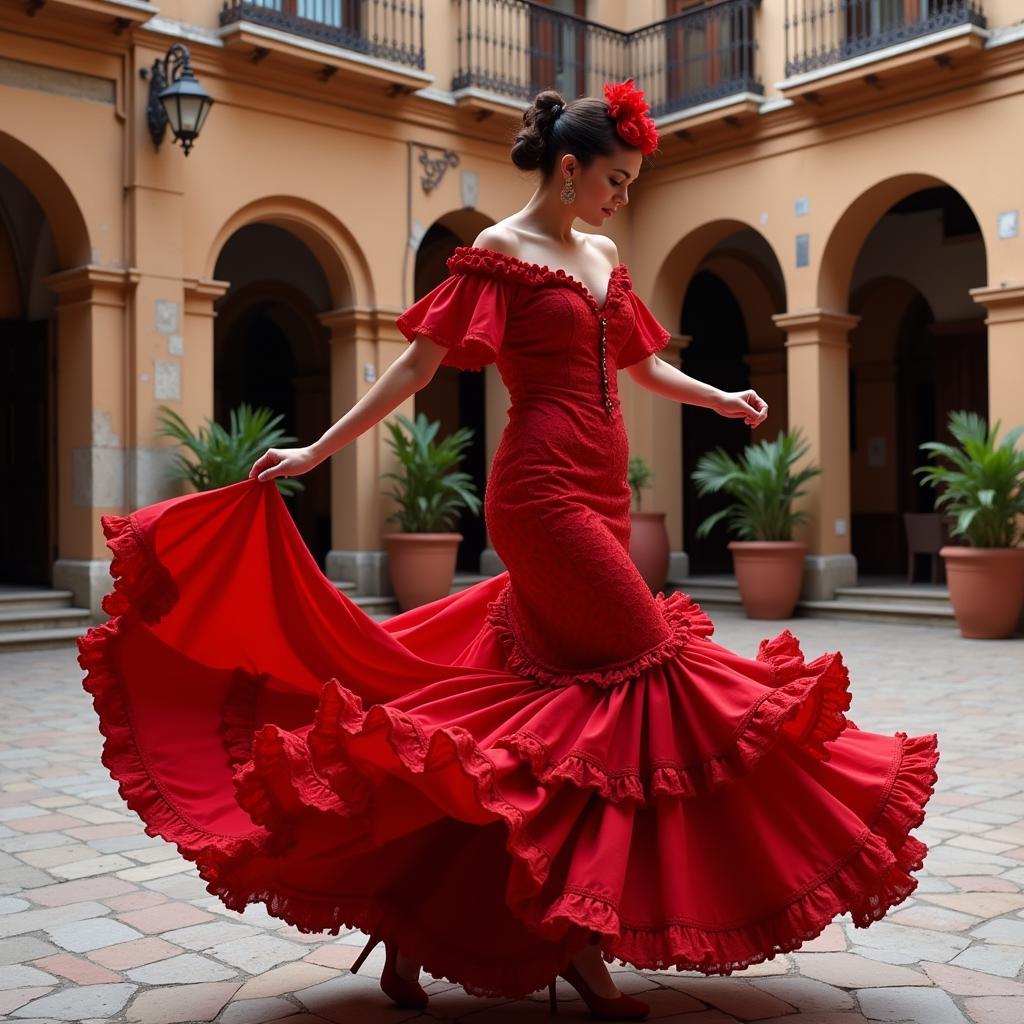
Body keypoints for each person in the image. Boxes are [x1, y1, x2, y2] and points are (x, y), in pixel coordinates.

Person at [79, 79, 939, 1022]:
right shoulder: (498, 252)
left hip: (605, 497)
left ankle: (420, 926)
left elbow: (642, 366)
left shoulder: (606, 252)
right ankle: (576, 944)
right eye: (614, 179)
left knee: (553, 733)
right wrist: (321, 448)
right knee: (648, 673)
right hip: (537, 499)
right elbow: (418, 363)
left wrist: (721, 398)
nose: (622, 197)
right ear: (569, 170)